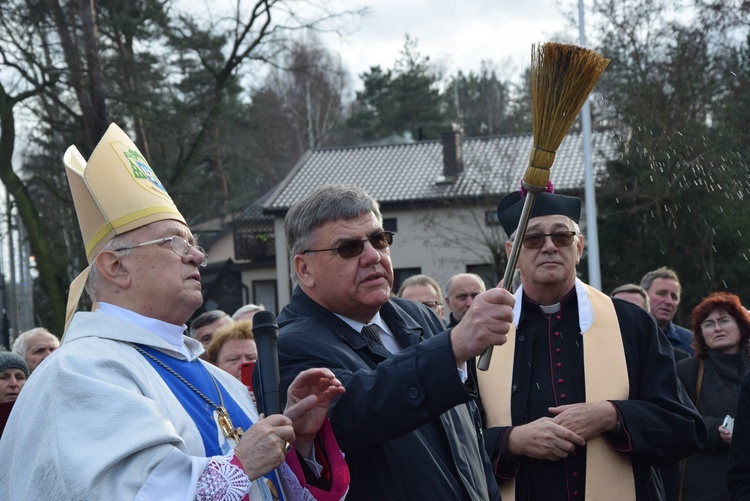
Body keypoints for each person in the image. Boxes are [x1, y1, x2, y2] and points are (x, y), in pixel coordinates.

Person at [0, 123, 349, 500]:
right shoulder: (80, 374)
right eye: (174, 242)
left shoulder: (222, 381)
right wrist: (240, 465)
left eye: (194, 244)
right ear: (115, 267)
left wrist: (296, 443)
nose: (198, 255)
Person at [277, 183, 515, 500]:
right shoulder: (287, 344)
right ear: (304, 268)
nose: (373, 256)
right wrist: (452, 348)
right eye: (349, 248)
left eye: (379, 239)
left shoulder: (420, 316)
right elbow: (354, 414)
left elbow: (470, 441)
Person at [477, 188, 705, 500]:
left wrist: (611, 416)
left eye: (561, 236)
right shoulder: (483, 336)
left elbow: (686, 428)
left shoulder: (631, 324)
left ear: (579, 246)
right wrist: (513, 441)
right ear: (511, 252)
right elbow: (453, 444)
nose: (548, 247)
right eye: (532, 239)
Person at [676, 292, 750, 500]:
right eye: (708, 324)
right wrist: (716, 429)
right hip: (706, 481)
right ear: (701, 334)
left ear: (742, 326)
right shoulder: (688, 370)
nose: (717, 328)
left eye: (724, 320)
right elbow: (679, 420)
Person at [641, 267, 695, 355]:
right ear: (644, 296)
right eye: (661, 294)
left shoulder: (691, 342)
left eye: (674, 297)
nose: (669, 301)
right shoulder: (624, 335)